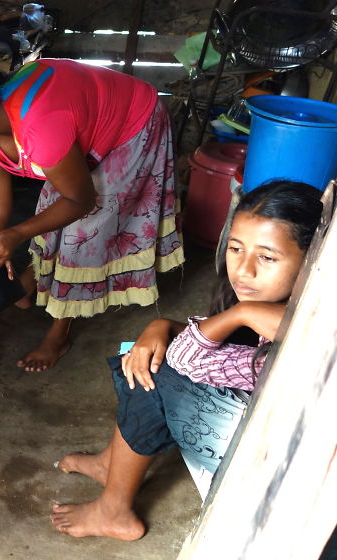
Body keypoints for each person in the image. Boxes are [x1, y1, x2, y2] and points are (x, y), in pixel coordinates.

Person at [49, 180, 323, 541]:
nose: (244, 270)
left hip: (279, 474)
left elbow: (187, 359)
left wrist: (240, 313)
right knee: (144, 350)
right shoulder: (283, 304)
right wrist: (162, 325)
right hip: (257, 421)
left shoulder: (310, 332)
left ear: (312, 259)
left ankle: (114, 508)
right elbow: (222, 345)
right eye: (236, 249)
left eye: (267, 257)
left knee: (157, 368)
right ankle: (110, 464)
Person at [0, 59, 184, 372]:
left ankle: (59, 334)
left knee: (82, 236)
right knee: (50, 215)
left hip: (132, 123)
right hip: (75, 128)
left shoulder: (41, 126)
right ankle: (32, 283)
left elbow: (81, 201)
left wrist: (18, 233)